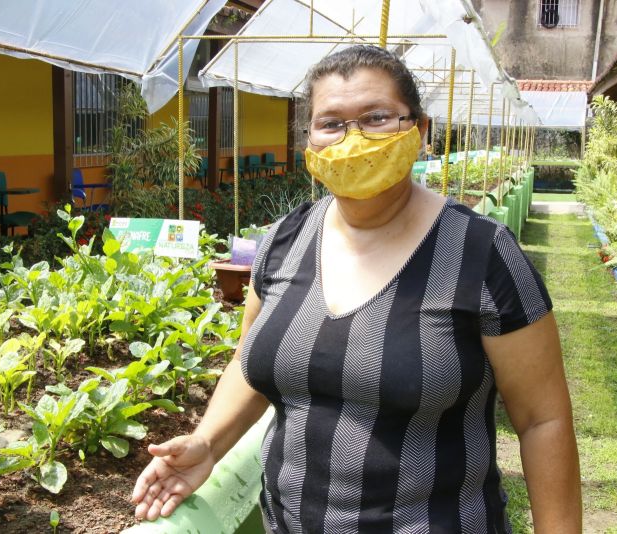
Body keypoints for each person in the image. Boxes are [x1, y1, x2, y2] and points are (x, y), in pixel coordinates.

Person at [132, 45, 581, 533]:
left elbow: (542, 421)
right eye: (332, 124)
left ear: (420, 131)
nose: (353, 140)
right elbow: (249, 361)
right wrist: (207, 445)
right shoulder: (284, 242)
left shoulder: (481, 254)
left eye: (376, 118)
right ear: (310, 142)